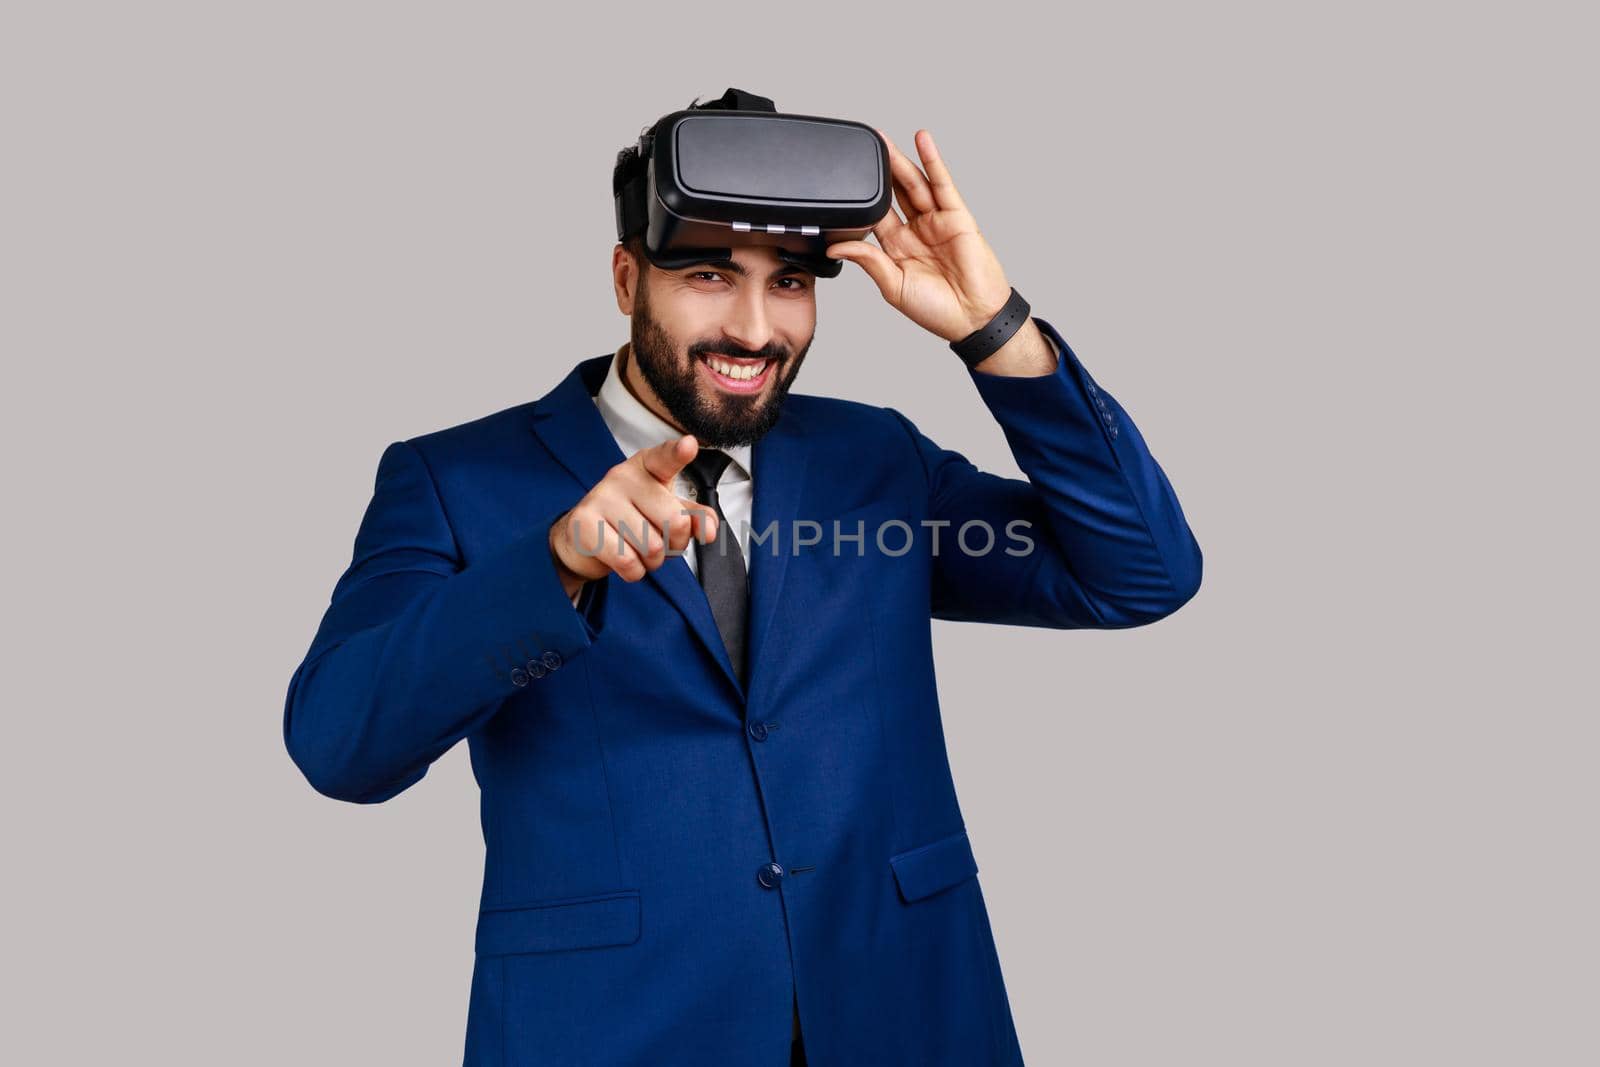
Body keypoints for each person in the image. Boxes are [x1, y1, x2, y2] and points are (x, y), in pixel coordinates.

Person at [283, 92, 1203, 1067]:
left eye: (791, 282)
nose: (755, 329)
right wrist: (553, 562)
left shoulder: (874, 458)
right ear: (627, 275)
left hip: (908, 1014)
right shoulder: (456, 480)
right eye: (709, 273)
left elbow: (1138, 570)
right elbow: (341, 743)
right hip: (613, 1030)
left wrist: (994, 328)